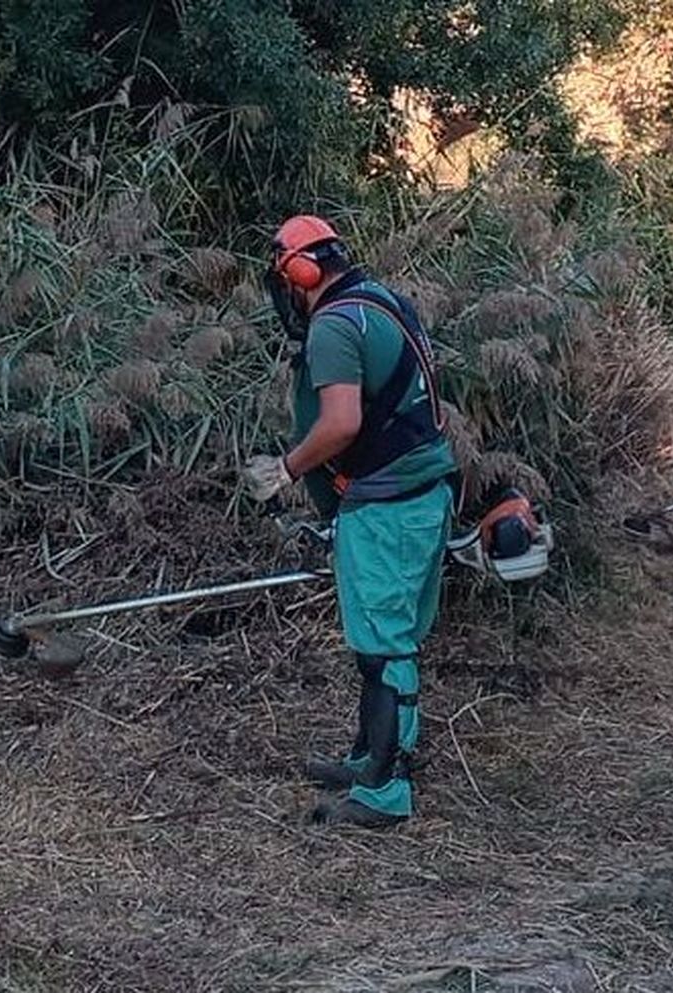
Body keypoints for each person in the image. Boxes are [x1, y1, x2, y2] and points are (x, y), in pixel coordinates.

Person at [241, 214, 457, 829]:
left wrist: (284, 469)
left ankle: (385, 792)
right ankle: (369, 758)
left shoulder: (332, 326)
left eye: (286, 279)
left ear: (302, 273)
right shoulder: (384, 302)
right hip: (423, 494)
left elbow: (340, 424)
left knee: (382, 653)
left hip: (388, 508)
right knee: (391, 644)